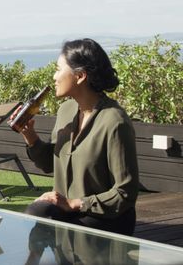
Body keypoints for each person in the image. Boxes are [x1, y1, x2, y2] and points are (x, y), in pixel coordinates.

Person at [15, 38, 139, 236]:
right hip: (68, 212)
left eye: (58, 69)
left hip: (104, 218)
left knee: (43, 218)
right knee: (35, 214)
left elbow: (125, 193)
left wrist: (75, 203)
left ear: (80, 76)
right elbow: (50, 164)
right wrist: (29, 135)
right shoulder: (66, 110)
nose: (54, 77)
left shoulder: (115, 122)